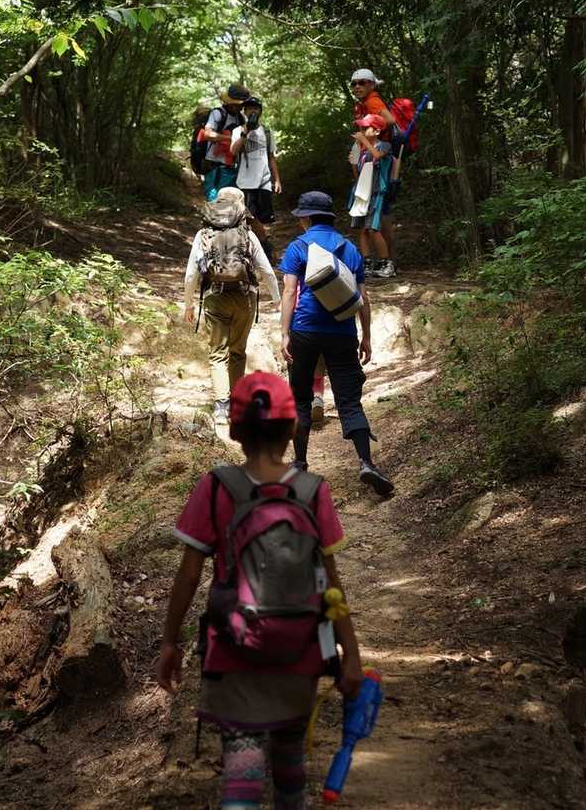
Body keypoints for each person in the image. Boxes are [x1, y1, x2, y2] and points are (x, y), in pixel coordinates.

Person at [156, 371, 365, 810]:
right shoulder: (312, 491)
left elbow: (188, 575)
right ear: (293, 428)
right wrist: (351, 655)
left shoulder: (215, 488)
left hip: (235, 655)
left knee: (242, 776)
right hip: (299, 655)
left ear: (234, 431)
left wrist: (170, 642)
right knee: (290, 771)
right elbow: (332, 584)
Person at [279, 191, 394, 497]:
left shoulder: (298, 247)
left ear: (306, 218)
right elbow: (362, 297)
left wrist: (284, 333)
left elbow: (289, 292)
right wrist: (366, 336)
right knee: (349, 400)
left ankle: (299, 463)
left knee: (300, 398)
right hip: (342, 332)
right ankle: (366, 463)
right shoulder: (350, 249)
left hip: (304, 330)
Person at [183, 187, 279, 423]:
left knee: (218, 353)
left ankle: (220, 408)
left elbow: (191, 274)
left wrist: (189, 304)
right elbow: (266, 270)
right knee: (237, 351)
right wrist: (277, 299)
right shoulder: (248, 234)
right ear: (240, 205)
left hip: (215, 297)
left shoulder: (203, 234)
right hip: (244, 298)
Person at [229, 95, 282, 250]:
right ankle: (264, 245)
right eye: (250, 108)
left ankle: (257, 248)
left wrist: (277, 179)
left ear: (260, 111)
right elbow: (233, 151)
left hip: (264, 182)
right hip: (245, 182)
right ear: (245, 112)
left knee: (262, 218)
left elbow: (271, 157)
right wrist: (245, 132)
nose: (253, 111)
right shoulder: (237, 130)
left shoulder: (267, 132)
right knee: (248, 216)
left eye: (256, 108)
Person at [348, 115, 395, 278]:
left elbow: (378, 155)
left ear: (376, 131)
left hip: (376, 193)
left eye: (365, 128)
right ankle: (366, 262)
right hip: (362, 194)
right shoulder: (362, 151)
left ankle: (386, 263)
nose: (361, 130)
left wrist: (364, 141)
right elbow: (357, 174)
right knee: (363, 230)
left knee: (373, 228)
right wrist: (354, 161)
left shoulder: (385, 146)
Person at [201, 85, 252, 202]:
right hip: (214, 165)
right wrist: (231, 138)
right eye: (237, 104)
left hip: (231, 166)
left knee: (228, 201)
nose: (239, 107)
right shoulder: (217, 113)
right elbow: (207, 134)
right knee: (214, 199)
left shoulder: (240, 119)